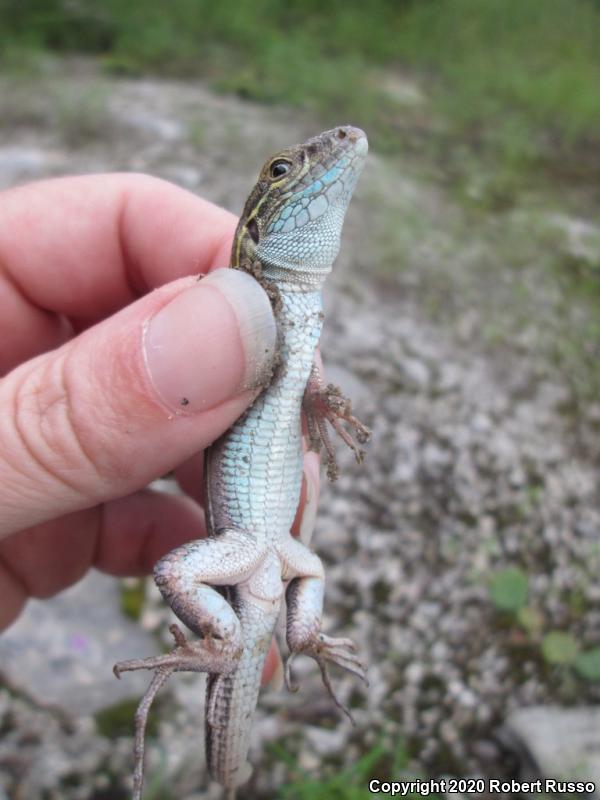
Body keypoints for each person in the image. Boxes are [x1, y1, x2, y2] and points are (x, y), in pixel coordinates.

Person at [0, 174, 321, 682]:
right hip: (256, 548)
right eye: (283, 172)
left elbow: (307, 374)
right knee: (181, 571)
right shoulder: (251, 294)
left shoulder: (299, 310)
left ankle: (298, 638)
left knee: (287, 572)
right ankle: (227, 643)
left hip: (262, 549)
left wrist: (327, 403)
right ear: (258, 226)